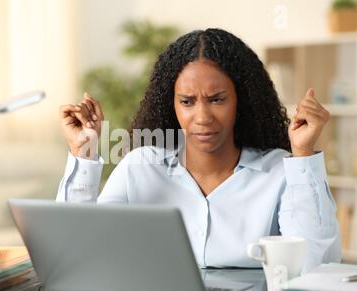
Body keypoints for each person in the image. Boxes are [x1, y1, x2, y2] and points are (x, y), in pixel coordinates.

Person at [56, 28, 341, 271]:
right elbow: (78, 254)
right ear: (172, 104)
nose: (202, 117)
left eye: (217, 100)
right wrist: (84, 151)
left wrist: (303, 154)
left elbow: (315, 267)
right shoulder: (139, 167)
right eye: (187, 101)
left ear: (241, 100)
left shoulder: (280, 171)